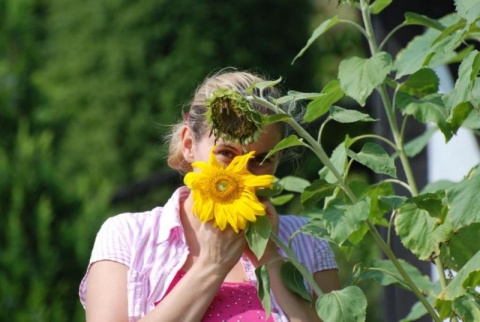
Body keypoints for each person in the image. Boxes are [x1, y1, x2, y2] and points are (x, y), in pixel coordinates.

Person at [79, 70, 341, 322]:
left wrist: (271, 258)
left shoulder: (306, 241)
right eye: (227, 153)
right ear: (189, 145)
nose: (243, 173)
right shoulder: (128, 237)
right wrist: (212, 266)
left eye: (262, 159)